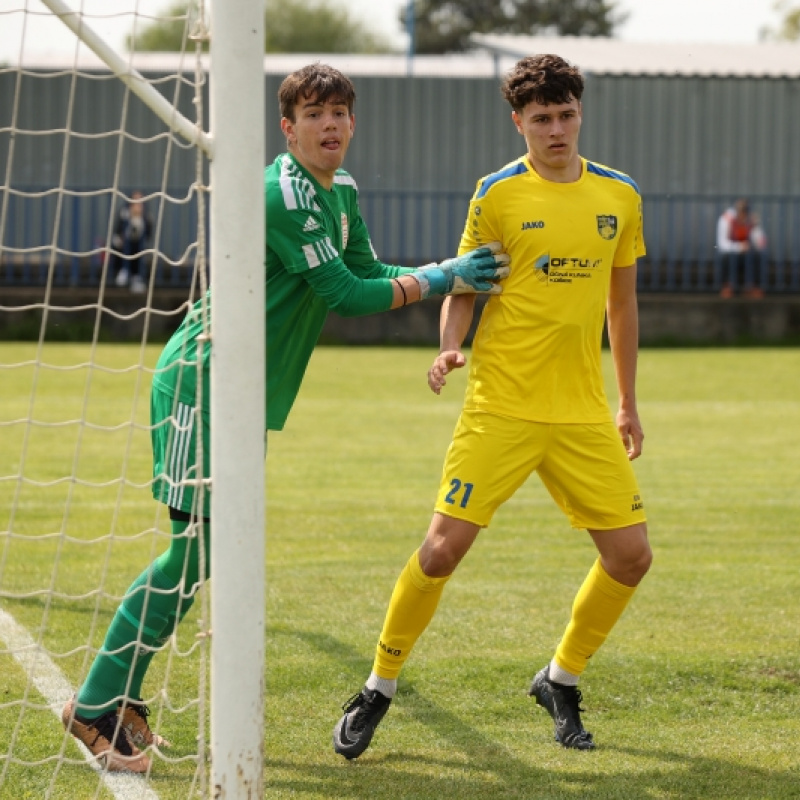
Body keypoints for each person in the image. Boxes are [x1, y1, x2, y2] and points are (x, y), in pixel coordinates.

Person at [61, 63, 510, 773]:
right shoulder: (283, 193)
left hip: (244, 397)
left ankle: (121, 699)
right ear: (288, 127)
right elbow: (342, 293)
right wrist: (443, 276)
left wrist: (436, 273)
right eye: (314, 113)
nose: (330, 125)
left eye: (340, 113)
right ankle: (92, 705)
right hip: (201, 384)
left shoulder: (341, 191)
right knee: (193, 553)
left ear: (353, 124)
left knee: (200, 554)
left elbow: (364, 269)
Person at [332, 53, 652, 759]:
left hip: (580, 413)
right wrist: (451, 344)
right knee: (441, 552)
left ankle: (560, 677)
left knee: (631, 558)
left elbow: (620, 305)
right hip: (500, 407)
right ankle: (379, 686)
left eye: (567, 115)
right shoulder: (497, 193)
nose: (557, 129)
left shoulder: (620, 196)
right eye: (542, 118)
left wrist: (627, 403)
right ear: (519, 122)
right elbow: (466, 282)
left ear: (579, 113)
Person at [716, 198, 767, 298]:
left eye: (744, 211)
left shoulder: (751, 220)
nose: (742, 215)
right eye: (740, 211)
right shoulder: (726, 219)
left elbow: (761, 244)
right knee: (727, 258)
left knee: (757, 256)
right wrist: (739, 247)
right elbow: (722, 244)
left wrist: (755, 227)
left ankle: (752, 287)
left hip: (747, 254)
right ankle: (727, 286)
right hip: (731, 253)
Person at [110, 190, 154, 293]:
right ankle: (123, 271)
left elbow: (148, 234)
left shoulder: (146, 217)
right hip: (124, 246)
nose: (138, 204)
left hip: (138, 246)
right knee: (118, 247)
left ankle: (137, 276)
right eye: (135, 200)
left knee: (140, 250)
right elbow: (118, 230)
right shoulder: (124, 213)